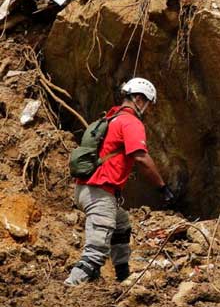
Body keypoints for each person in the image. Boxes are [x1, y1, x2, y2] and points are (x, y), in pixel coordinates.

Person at [64, 77, 175, 287]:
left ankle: (123, 275)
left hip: (85, 190)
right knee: (96, 251)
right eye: (149, 104)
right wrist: (162, 187)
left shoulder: (111, 118)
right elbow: (141, 158)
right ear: (140, 99)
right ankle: (71, 288)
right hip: (99, 193)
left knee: (121, 224)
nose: (149, 110)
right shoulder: (131, 122)